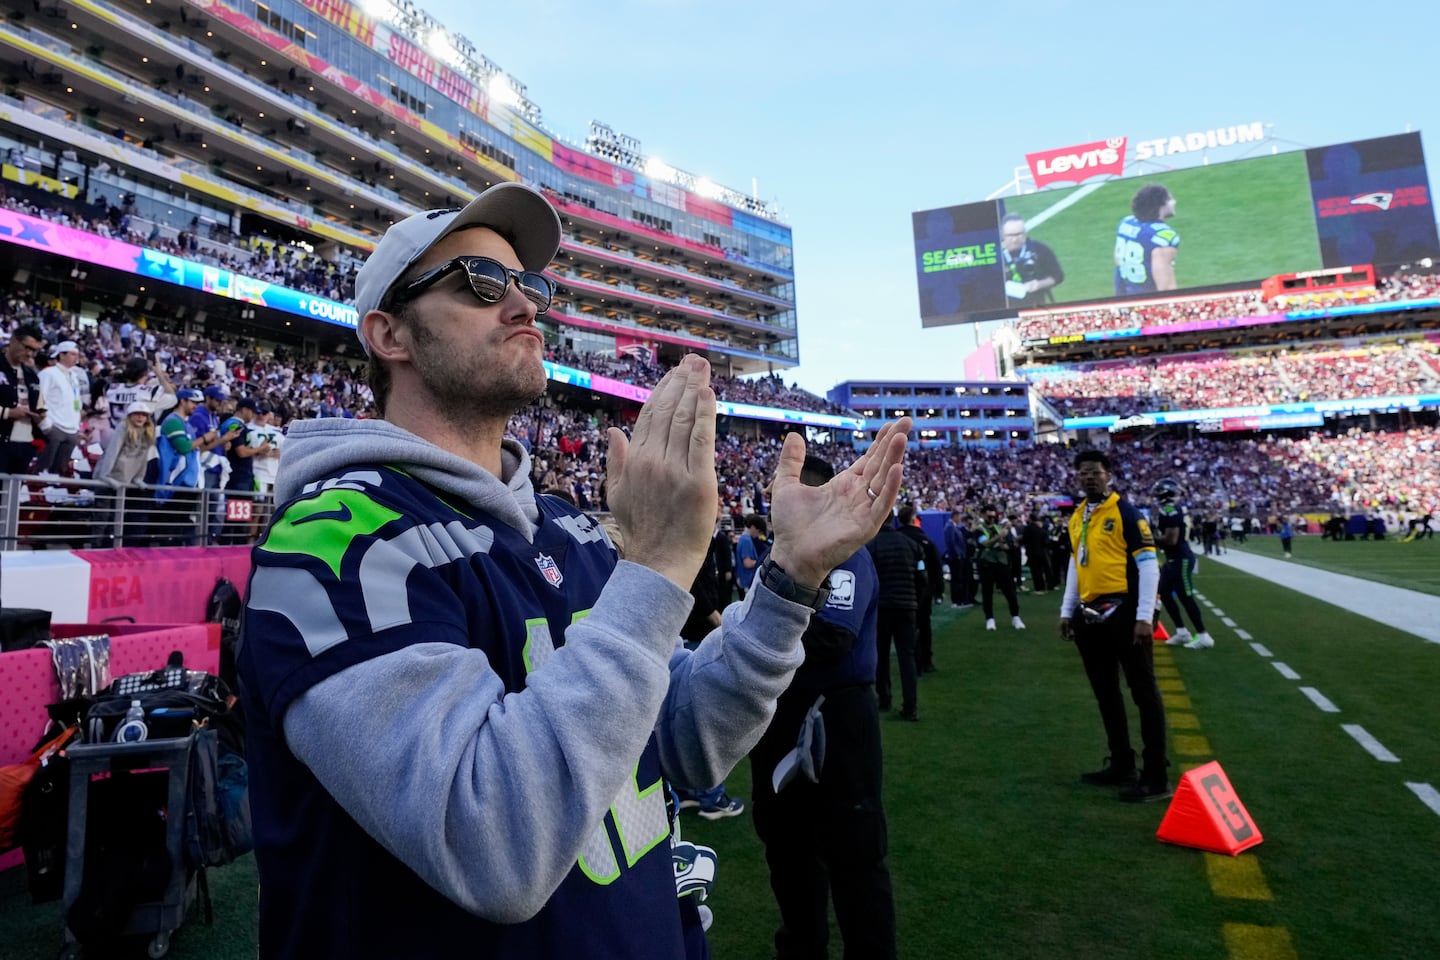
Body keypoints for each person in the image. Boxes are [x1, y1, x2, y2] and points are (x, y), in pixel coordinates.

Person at [236, 181, 913, 960]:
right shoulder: (332, 542)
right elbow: (490, 842)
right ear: (389, 334)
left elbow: (681, 740)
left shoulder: (564, 525)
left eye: (529, 285)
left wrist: (788, 581)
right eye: (480, 282)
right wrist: (658, 563)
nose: (523, 304)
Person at [749, 454, 896, 960]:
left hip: (836, 717)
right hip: (779, 713)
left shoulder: (845, 553)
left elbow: (833, 637)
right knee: (785, 845)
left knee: (855, 851)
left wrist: (754, 635)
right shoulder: (775, 556)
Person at [1059, 451, 1169, 803]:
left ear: (1108, 475)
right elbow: (1076, 564)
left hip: (1125, 611)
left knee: (1143, 692)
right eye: (1083, 472)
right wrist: (1066, 610)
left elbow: (1149, 565)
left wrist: (1144, 615)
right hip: (1090, 614)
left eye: (1095, 471)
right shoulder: (1078, 516)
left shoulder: (1126, 513)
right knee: (1106, 693)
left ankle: (1156, 775)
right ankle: (1122, 763)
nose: (1089, 477)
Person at [867, 513, 923, 720]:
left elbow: (869, 579)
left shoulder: (873, 545)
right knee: (907, 656)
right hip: (907, 606)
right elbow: (922, 575)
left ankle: (884, 698)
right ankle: (911, 706)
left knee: (881, 654)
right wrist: (916, 600)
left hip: (883, 607)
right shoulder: (911, 544)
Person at [1150, 479, 1214, 650]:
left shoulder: (1169, 510)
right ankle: (1182, 631)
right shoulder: (1173, 508)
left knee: (1185, 596)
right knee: (1163, 591)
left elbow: (1171, 540)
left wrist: (1150, 538)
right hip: (1173, 558)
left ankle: (1203, 635)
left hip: (1181, 559)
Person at [897, 503, 943, 674]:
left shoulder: (897, 538)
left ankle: (910, 660)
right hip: (923, 590)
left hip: (900, 590)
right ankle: (925, 660)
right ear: (913, 519)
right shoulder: (925, 540)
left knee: (906, 628)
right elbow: (936, 567)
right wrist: (938, 589)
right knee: (924, 625)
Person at [1114, 183, 1179, 296]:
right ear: (1161, 205)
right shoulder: (1162, 237)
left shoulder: (1125, 223)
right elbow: (1166, 288)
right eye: (1170, 199)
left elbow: (1119, 264)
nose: (1174, 202)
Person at [0, 323, 45, 474]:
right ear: (13, 341)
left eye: (34, 350)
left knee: (15, 487)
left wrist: (41, 415)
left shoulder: (32, 375)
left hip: (26, 443)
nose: (29, 354)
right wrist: (8, 413)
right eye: (27, 347)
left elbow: (40, 406)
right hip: (3, 439)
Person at [36, 340, 86, 474]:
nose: (76, 357)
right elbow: (38, 399)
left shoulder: (74, 375)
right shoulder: (48, 373)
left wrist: (77, 426)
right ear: (61, 355)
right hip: (54, 426)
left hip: (72, 429)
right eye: (72, 354)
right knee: (43, 469)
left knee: (60, 470)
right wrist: (45, 424)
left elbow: (76, 401)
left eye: (77, 355)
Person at [1000, 213, 1064, 308]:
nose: (1014, 239)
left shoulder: (1039, 249)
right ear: (1002, 235)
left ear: (1025, 232)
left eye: (1019, 234)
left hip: (1035, 306)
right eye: (1010, 235)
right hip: (1004, 309)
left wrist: (1039, 284)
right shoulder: (994, 254)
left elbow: (1058, 276)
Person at [976, 504, 1024, 631]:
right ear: (983, 515)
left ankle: (1015, 617)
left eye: (993, 516)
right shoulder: (979, 529)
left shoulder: (998, 528)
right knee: (987, 592)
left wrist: (1003, 544)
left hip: (1001, 562)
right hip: (986, 563)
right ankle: (990, 619)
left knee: (1010, 591)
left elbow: (1007, 546)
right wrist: (999, 536)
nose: (992, 518)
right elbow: (985, 543)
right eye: (989, 516)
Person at [95, 400, 156, 486]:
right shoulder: (123, 427)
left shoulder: (148, 432)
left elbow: (143, 458)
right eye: (137, 414)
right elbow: (112, 451)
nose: (140, 417)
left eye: (144, 415)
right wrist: (105, 475)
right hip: (111, 477)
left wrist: (139, 478)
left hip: (128, 480)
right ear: (130, 416)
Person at [943, 507, 973, 608]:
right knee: (956, 579)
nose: (960, 519)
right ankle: (956, 601)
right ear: (955, 516)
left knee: (959, 579)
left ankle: (960, 600)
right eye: (959, 517)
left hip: (959, 556)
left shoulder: (954, 526)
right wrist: (957, 555)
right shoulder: (950, 527)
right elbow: (951, 543)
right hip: (956, 558)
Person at [736, 513, 766, 599]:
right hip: (747, 580)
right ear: (753, 527)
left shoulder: (743, 538)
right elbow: (747, 563)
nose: (759, 535)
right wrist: (762, 562)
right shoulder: (746, 540)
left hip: (744, 579)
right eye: (759, 531)